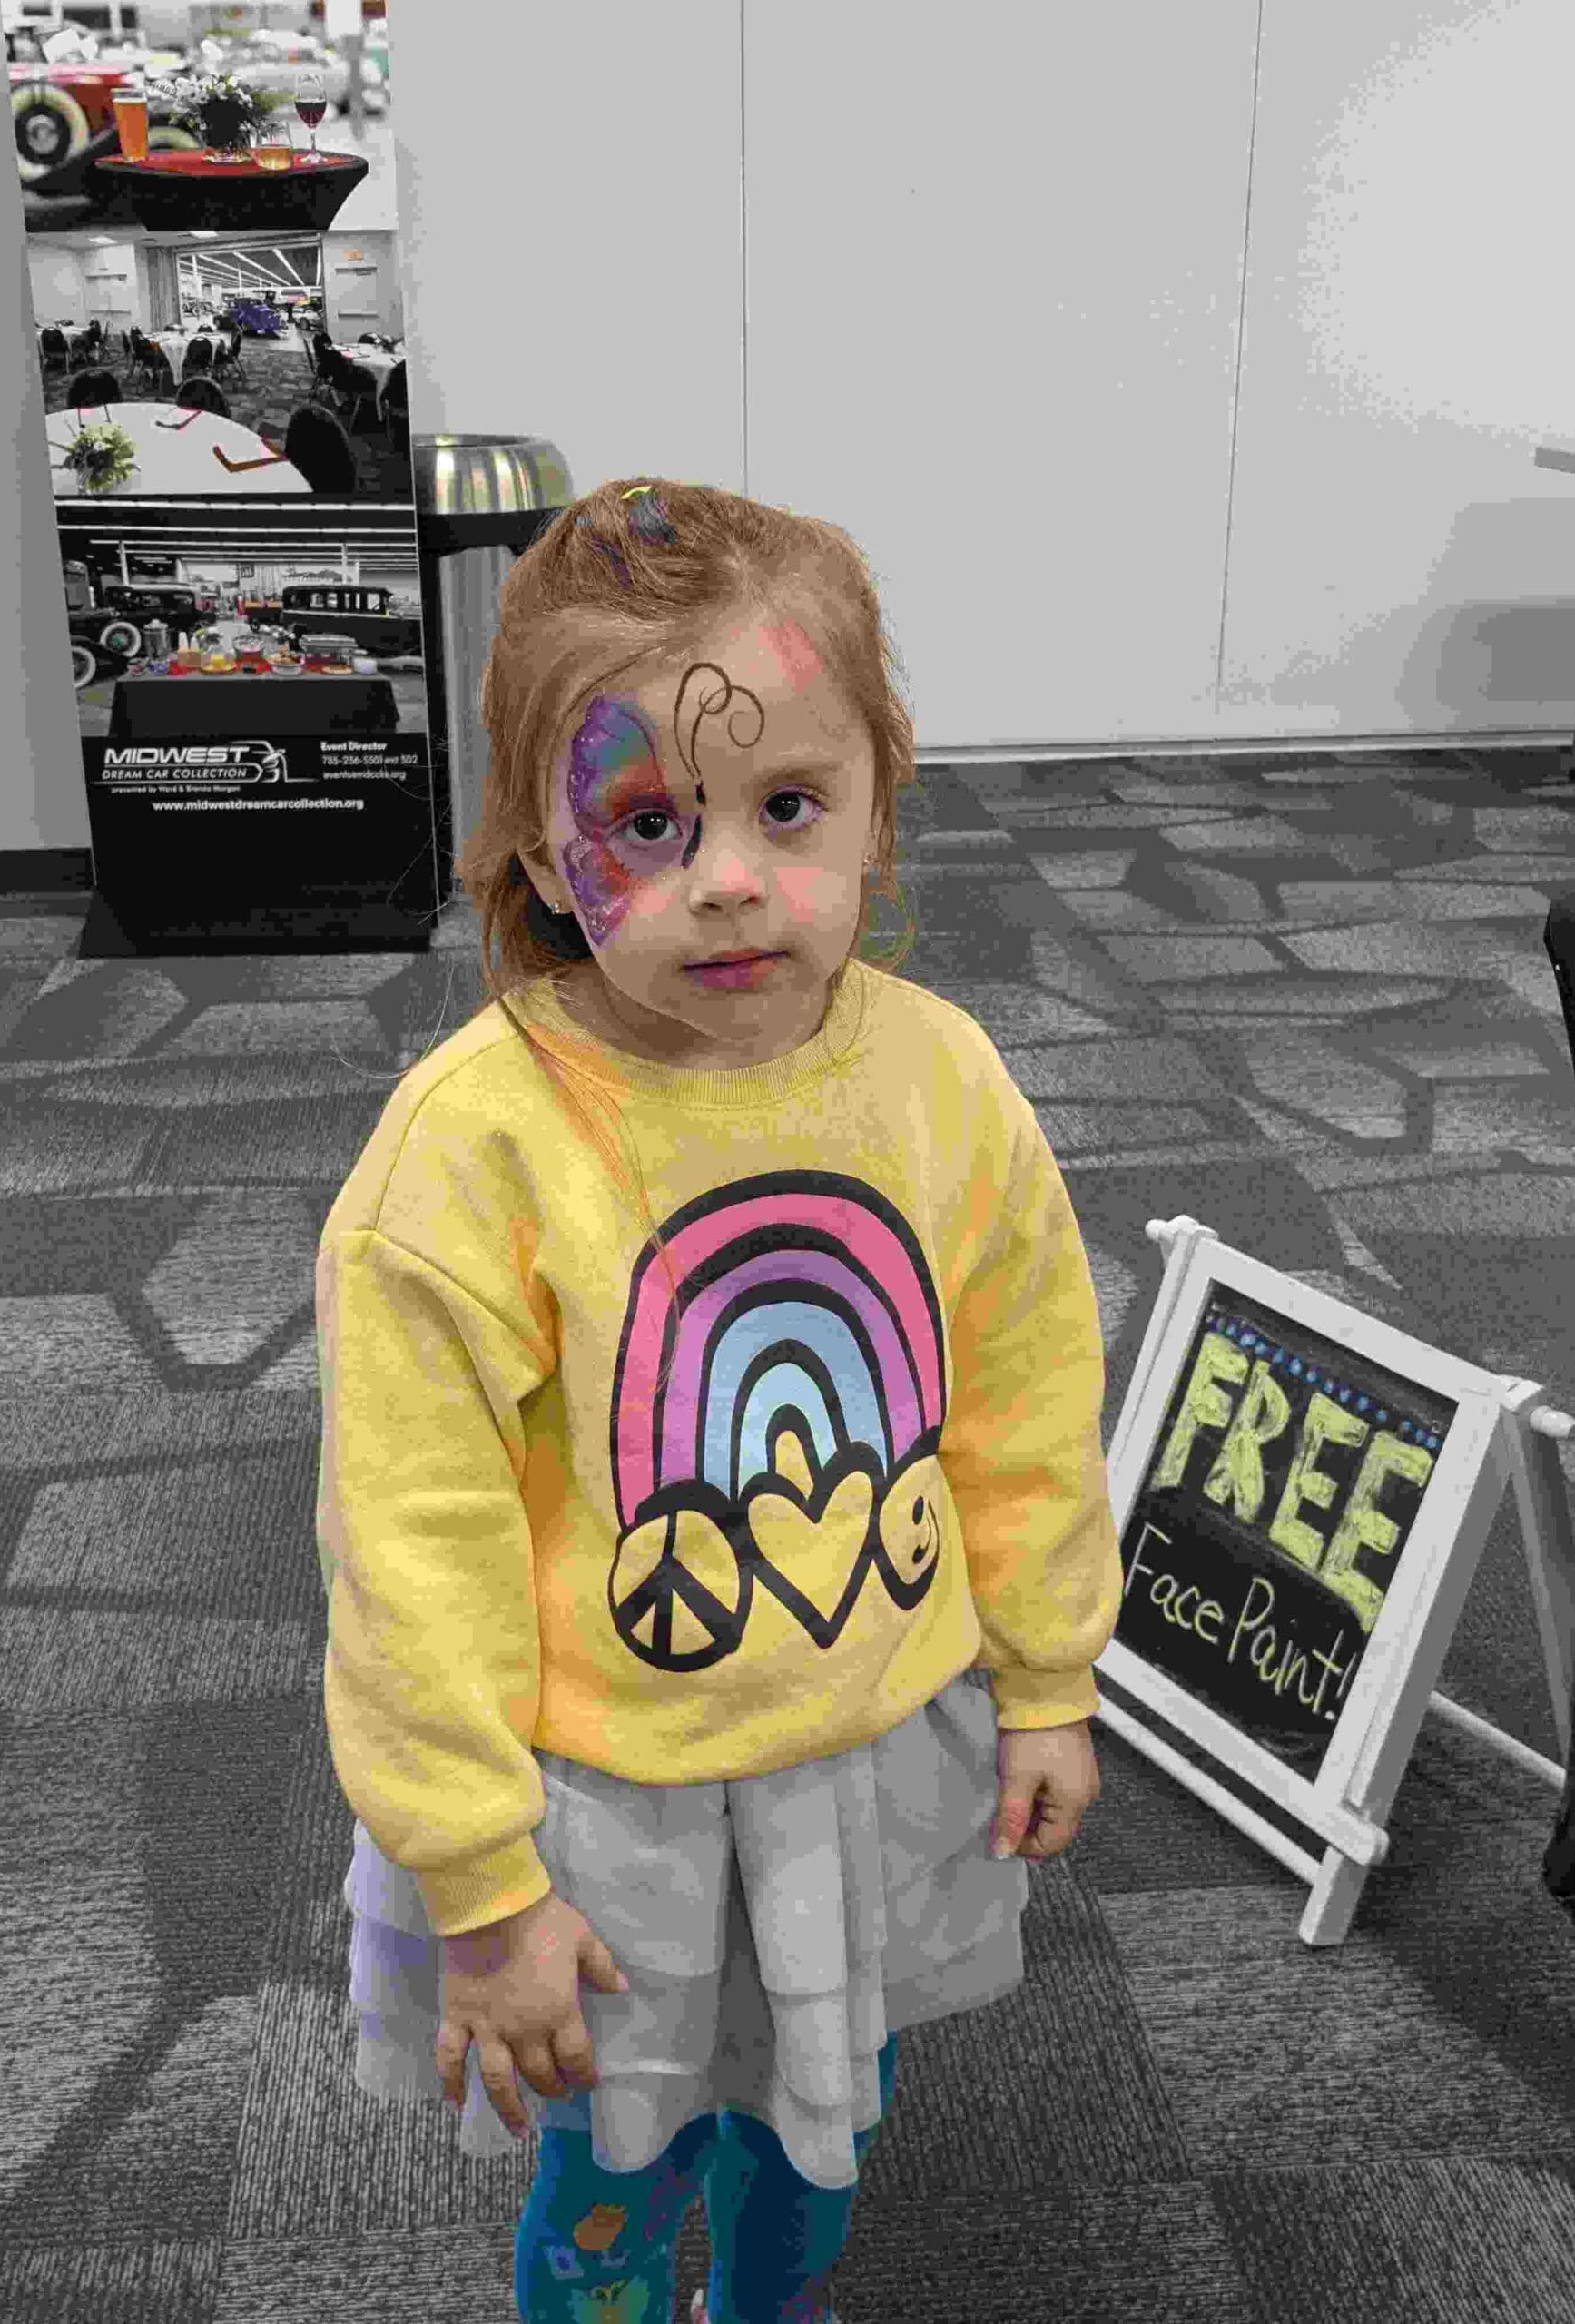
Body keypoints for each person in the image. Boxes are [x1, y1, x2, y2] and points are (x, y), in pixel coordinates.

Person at [318, 478, 1124, 2323]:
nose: (734, 878)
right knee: (617, 2169)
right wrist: (480, 1879)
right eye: (647, 824)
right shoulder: (472, 1149)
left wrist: (1046, 1674)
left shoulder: (943, 1080)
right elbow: (410, 1546)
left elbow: (1022, 1395)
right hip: (605, 1805)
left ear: (879, 794)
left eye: (788, 806)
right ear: (540, 850)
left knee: (820, 2124)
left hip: (870, 1742)